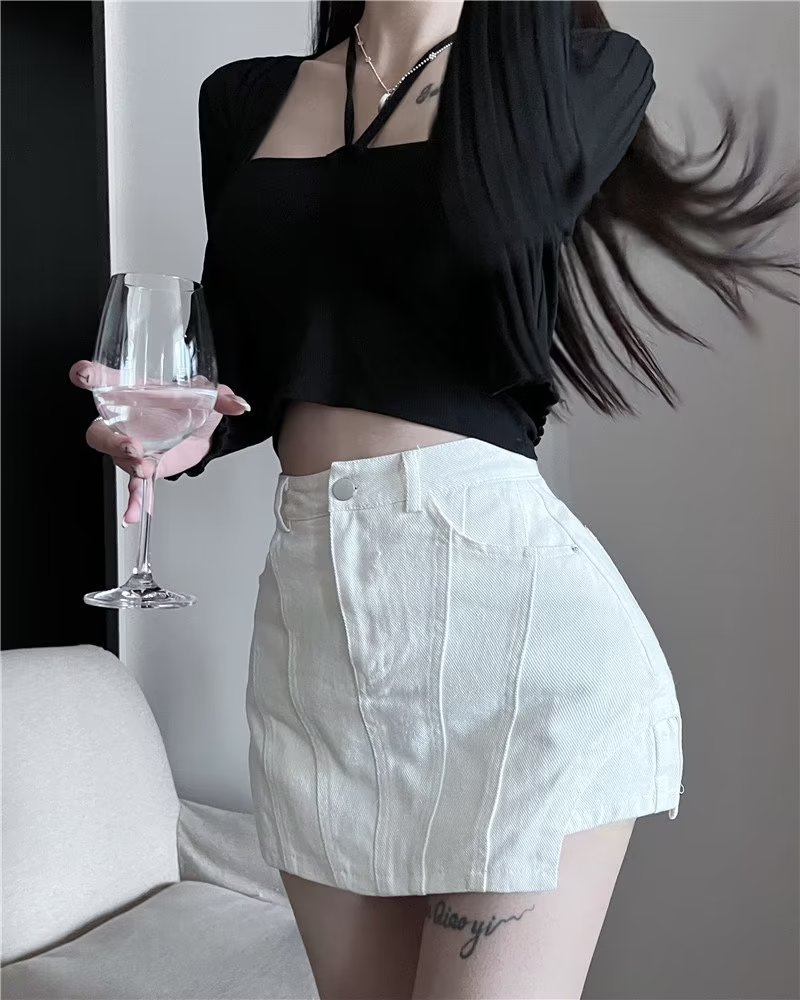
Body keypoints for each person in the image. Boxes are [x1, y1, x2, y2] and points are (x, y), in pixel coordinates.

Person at [70, 2, 799, 997]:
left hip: (515, 643)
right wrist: (184, 432)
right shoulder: (242, 100)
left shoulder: (585, 69)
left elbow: (501, 223)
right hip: (315, 645)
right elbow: (247, 359)